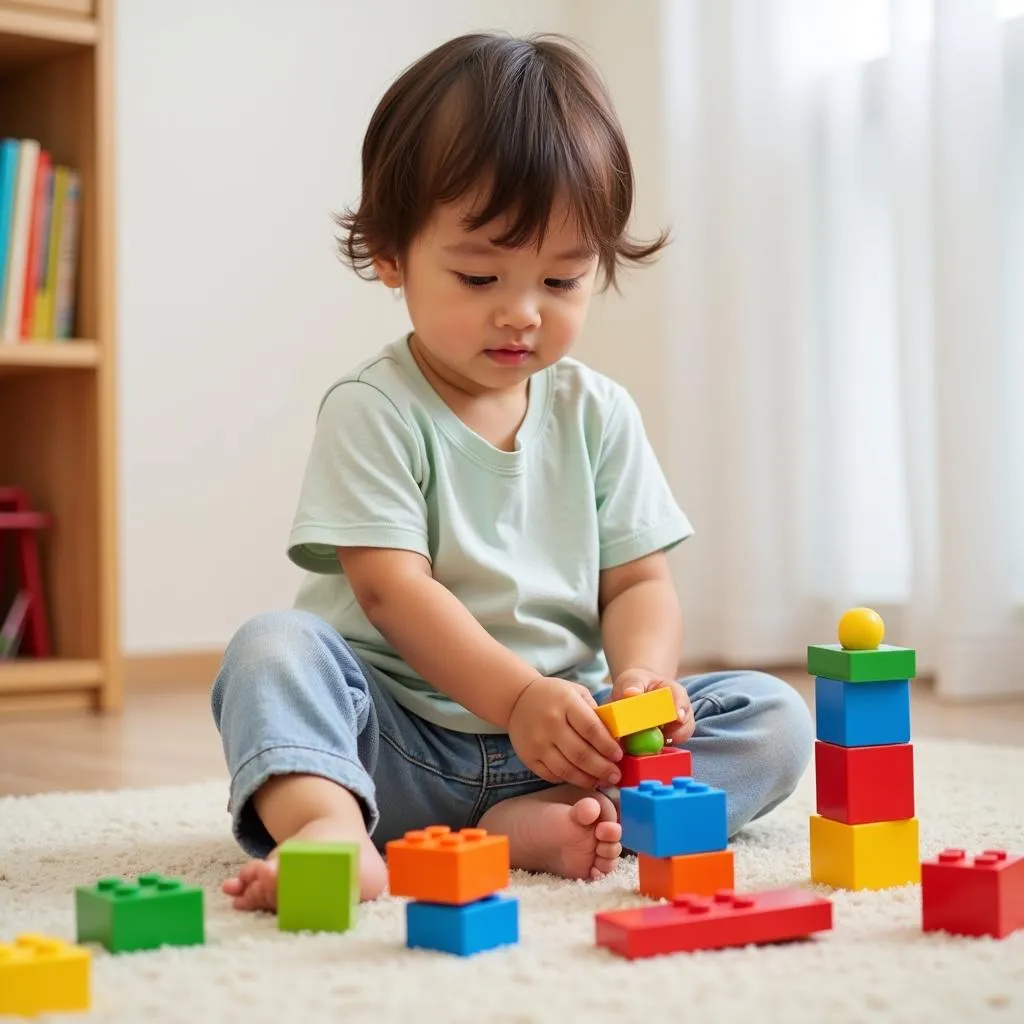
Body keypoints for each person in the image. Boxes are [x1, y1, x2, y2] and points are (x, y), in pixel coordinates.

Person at [210, 30, 813, 912]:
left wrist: (642, 682)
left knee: (772, 717)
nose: (522, 313)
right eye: (480, 273)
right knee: (270, 650)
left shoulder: (597, 411)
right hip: (400, 739)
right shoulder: (373, 408)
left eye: (563, 282)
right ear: (390, 254)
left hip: (567, 737)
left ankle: (554, 815)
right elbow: (389, 593)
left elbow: (639, 579)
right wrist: (517, 695)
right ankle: (331, 827)